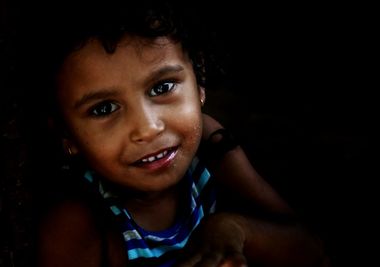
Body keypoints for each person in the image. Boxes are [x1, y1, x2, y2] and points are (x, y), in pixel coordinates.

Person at [18, 1, 330, 266]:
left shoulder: (209, 145)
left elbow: (311, 250)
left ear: (199, 80)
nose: (148, 128)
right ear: (66, 135)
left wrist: (233, 228)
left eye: (162, 87)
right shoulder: (78, 226)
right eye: (104, 109)